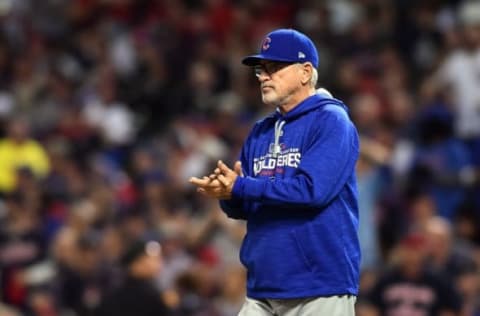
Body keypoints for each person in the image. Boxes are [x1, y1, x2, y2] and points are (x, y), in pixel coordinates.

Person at [190, 28, 360, 316]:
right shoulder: (261, 131)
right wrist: (229, 195)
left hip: (318, 286)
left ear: (306, 72)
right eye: (261, 69)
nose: (264, 76)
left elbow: (311, 191)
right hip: (264, 285)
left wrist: (242, 187)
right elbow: (247, 204)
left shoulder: (332, 121)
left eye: (275, 67)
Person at [95, 239, 171, 316]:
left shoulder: (155, 290)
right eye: (153, 259)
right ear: (135, 264)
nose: (159, 262)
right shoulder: (117, 291)